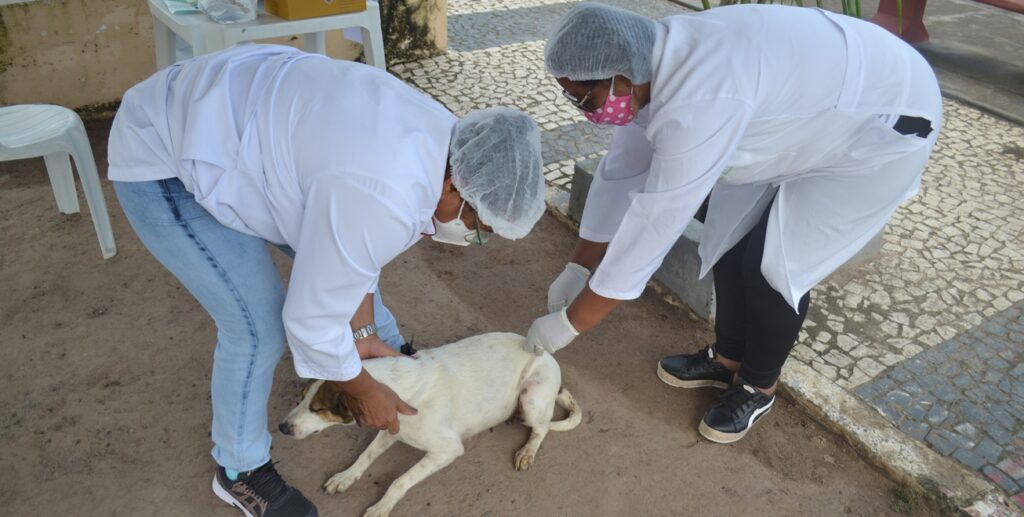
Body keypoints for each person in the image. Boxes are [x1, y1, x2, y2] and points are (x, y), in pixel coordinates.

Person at [108, 44, 545, 517]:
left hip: (240, 126)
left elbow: (357, 256)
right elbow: (311, 318)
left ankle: (396, 364)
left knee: (347, 281)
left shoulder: (452, 145)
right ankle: (240, 470)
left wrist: (363, 332)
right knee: (257, 327)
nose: (474, 236)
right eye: (478, 224)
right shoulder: (386, 196)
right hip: (166, 151)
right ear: (453, 186)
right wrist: (363, 391)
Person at [526, 3, 942, 444]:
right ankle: (726, 359)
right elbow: (622, 171)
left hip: (885, 124)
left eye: (581, 97)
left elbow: (656, 223)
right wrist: (577, 267)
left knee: (773, 266)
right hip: (804, 110)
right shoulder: (649, 67)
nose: (581, 109)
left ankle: (758, 385)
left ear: (619, 79)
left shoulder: (701, 98)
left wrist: (571, 324)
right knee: (728, 238)